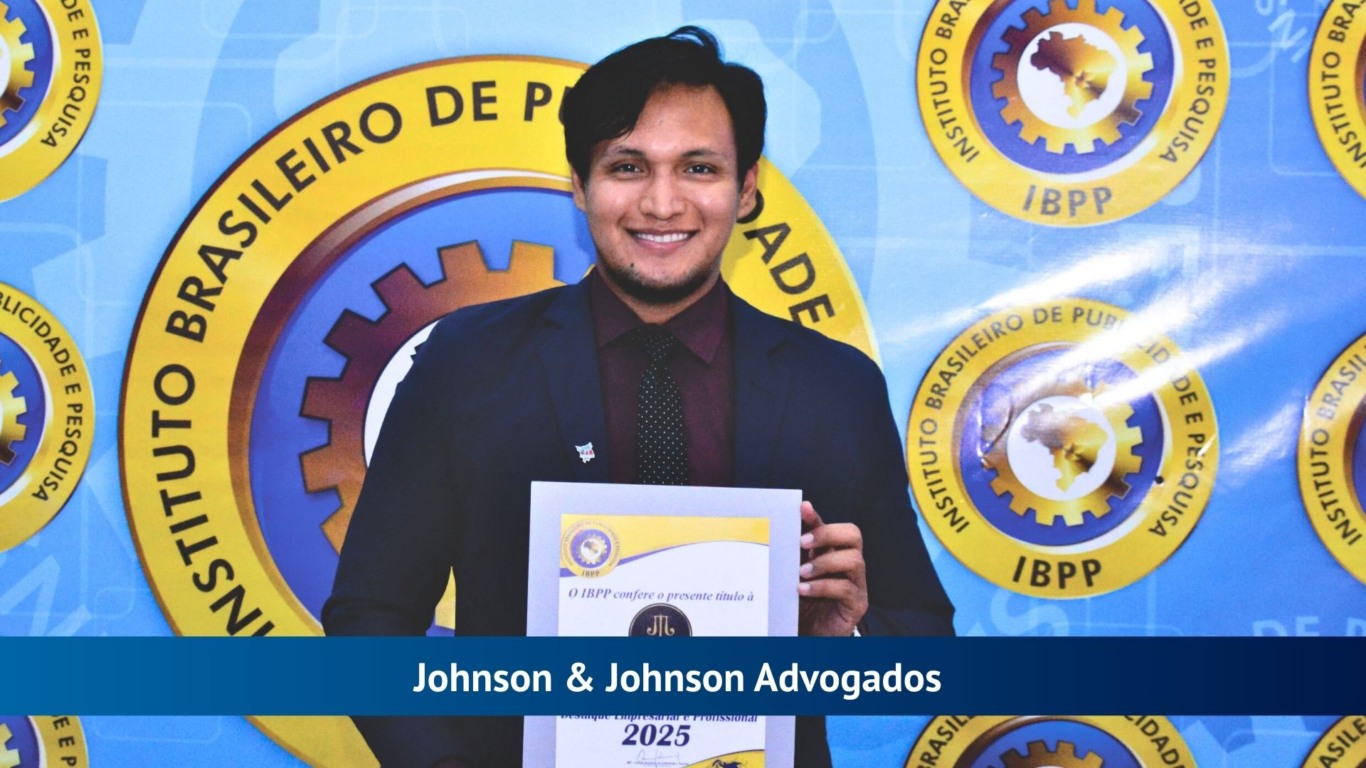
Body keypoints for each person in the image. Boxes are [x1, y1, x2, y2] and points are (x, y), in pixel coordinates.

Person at [323, 26, 954, 767]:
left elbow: (922, 649)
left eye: (698, 168)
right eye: (627, 166)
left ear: (747, 187)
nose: (661, 202)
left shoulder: (834, 385)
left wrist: (841, 642)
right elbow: (369, 619)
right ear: (579, 184)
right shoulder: (465, 363)